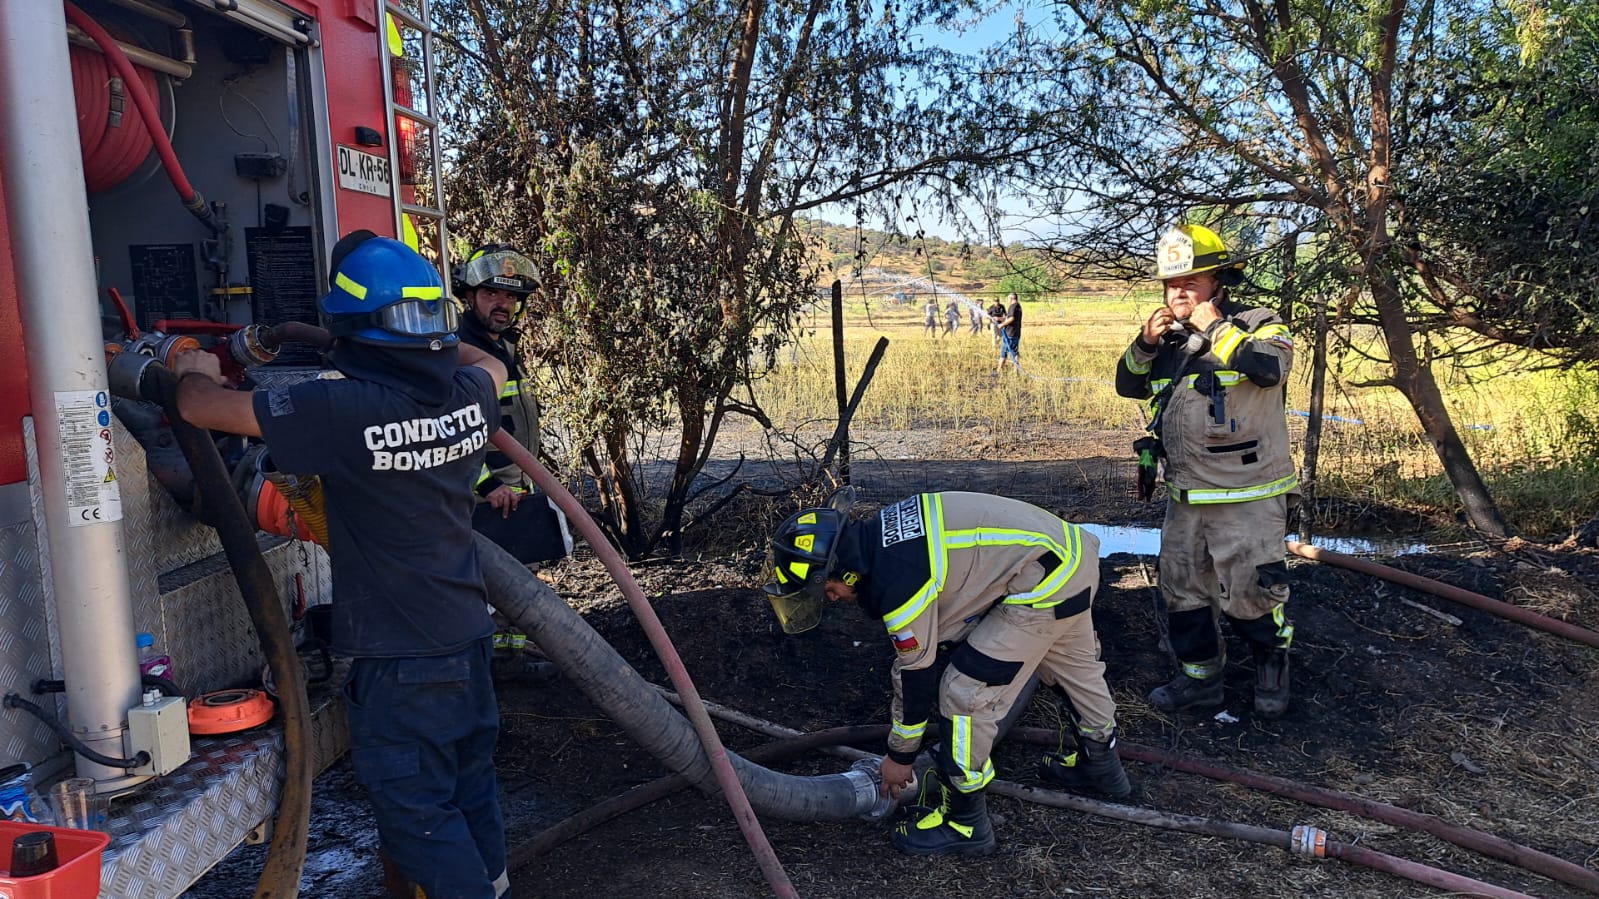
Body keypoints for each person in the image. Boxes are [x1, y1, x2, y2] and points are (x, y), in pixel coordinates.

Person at [172, 234, 513, 899]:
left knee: (417, 817)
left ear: (352, 328)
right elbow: (486, 360)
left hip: (402, 660)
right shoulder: (470, 395)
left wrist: (196, 370)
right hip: (469, 641)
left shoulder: (344, 410)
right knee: (470, 790)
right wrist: (381, 342)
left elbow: (195, 408)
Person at [763, 490, 1129, 858]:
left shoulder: (898, 579)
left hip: (1044, 580)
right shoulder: (884, 535)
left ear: (844, 570)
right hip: (1068, 556)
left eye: (828, 588)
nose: (832, 599)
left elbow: (916, 673)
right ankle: (1102, 766)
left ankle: (965, 823)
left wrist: (899, 757)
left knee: (963, 691)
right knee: (1073, 670)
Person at [1115, 223, 1297, 719]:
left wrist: (1215, 327)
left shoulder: (1259, 321)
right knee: (1182, 590)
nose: (1179, 292)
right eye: (1172, 283)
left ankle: (1270, 671)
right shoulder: (1167, 339)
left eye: (1191, 281)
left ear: (1218, 281)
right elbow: (1128, 385)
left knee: (1254, 592)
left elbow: (1271, 368)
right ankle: (1201, 681)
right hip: (1187, 494)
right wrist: (1145, 344)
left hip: (1248, 491)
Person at [453, 243, 572, 567]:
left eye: (510, 296)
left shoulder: (505, 346)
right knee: (488, 592)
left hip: (511, 493)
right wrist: (488, 485)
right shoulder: (460, 351)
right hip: (480, 498)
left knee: (518, 591)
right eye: (491, 293)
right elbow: (451, 428)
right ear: (469, 295)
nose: (502, 304)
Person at [997, 292, 1023, 374]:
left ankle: (999, 370)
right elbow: (1008, 318)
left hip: (1010, 333)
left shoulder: (1012, 306)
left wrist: (1002, 325)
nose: (1007, 300)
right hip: (1016, 333)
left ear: (1011, 298)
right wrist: (998, 318)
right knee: (1014, 352)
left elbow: (1011, 318)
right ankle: (1016, 371)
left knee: (1004, 352)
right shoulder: (1018, 306)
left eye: (1008, 298)